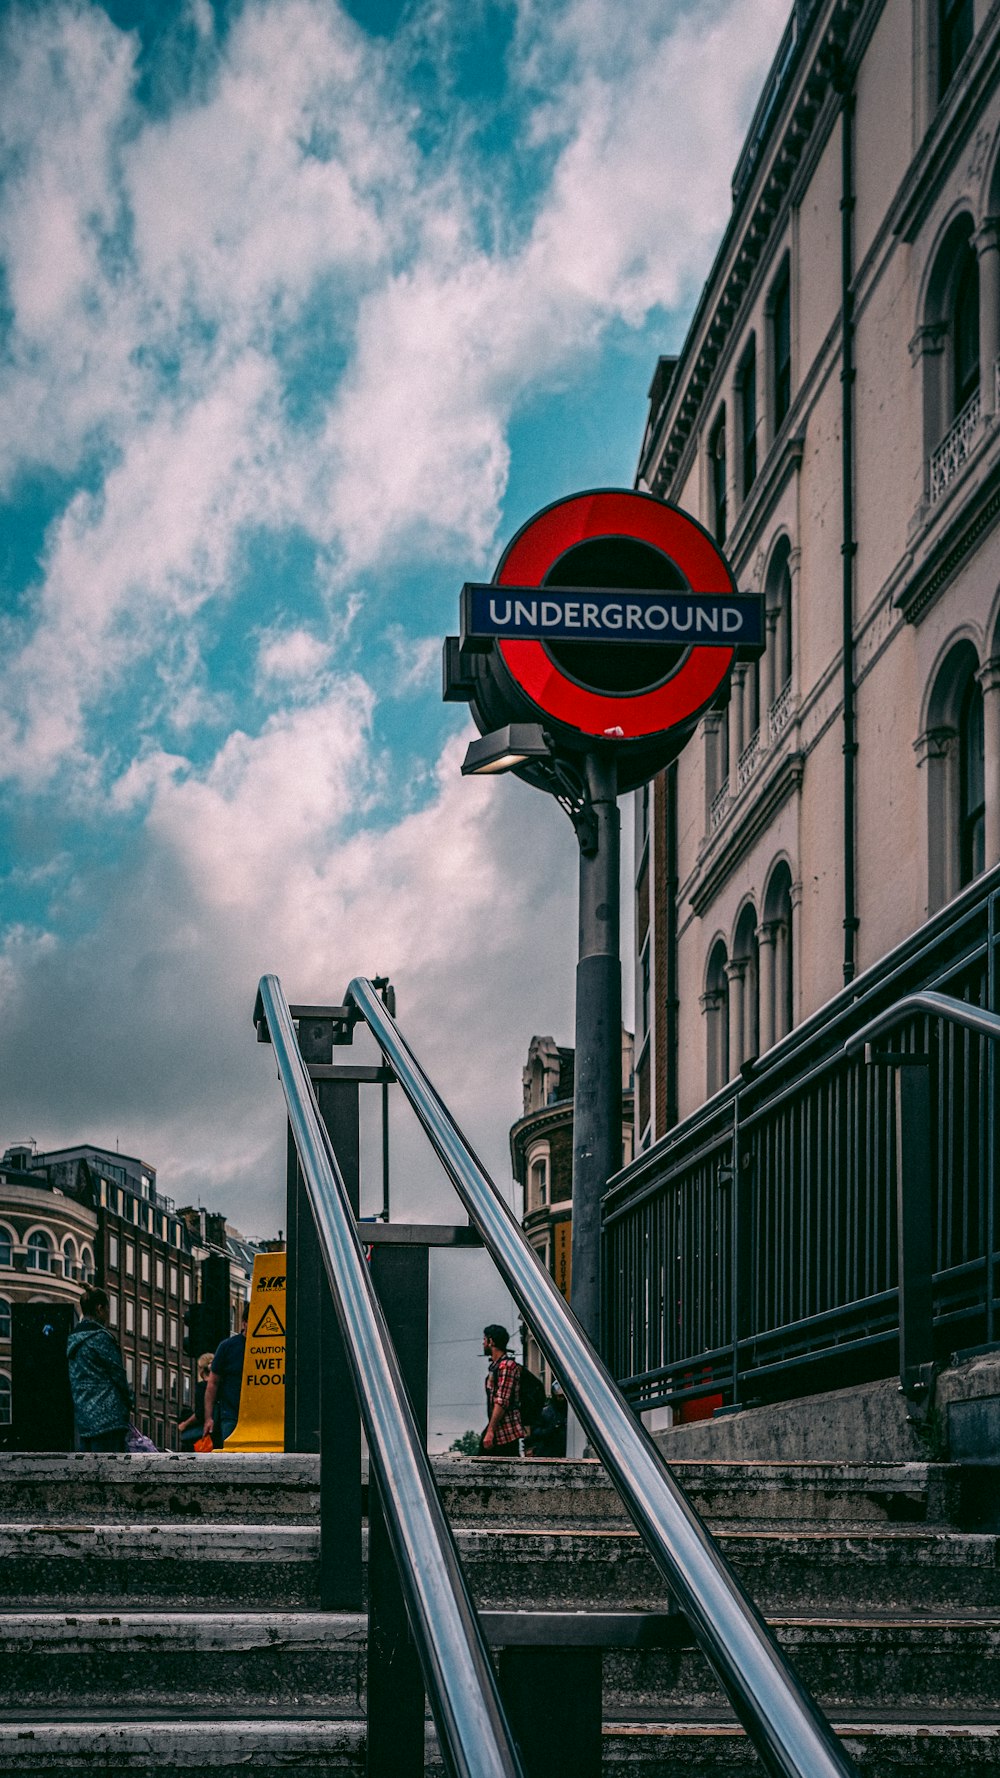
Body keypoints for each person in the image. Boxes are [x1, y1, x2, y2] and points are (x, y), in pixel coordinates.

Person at [66, 1285, 132, 1453]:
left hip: (84, 1418)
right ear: (99, 1308)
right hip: (109, 1420)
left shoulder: (73, 1340)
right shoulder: (101, 1338)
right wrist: (128, 1403)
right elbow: (118, 1374)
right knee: (112, 1472)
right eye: (107, 1309)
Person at [203, 1305, 248, 1447]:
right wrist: (208, 1418)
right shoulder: (228, 1347)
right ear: (244, 1323)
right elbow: (212, 1384)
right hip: (231, 1414)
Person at [480, 1323, 524, 1457]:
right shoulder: (496, 1367)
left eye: (484, 1339)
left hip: (506, 1432)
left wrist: (490, 1430)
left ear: (491, 1341)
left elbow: (501, 1400)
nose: (483, 1343)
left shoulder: (506, 1366)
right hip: (500, 1431)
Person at [177, 1351, 214, 1452]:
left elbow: (200, 1414)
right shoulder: (221, 1386)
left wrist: (184, 1424)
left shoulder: (202, 1387)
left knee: (185, 1441)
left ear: (201, 1370)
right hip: (220, 1427)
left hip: (206, 1431)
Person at [526, 1381, 568, 1457]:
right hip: (548, 1450)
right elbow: (535, 1432)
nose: (562, 1399)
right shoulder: (545, 1412)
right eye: (559, 1396)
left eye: (563, 1396)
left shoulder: (570, 1412)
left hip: (565, 1450)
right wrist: (550, 1430)